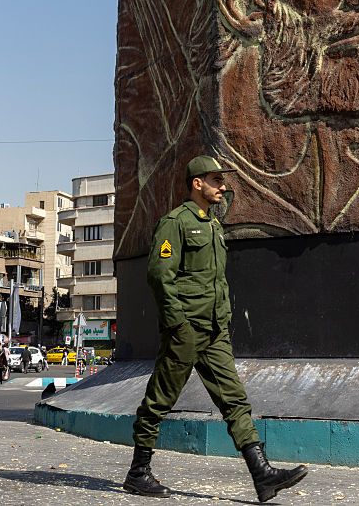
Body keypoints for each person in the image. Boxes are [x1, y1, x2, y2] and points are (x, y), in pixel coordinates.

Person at [124, 156, 307, 501]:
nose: (223, 186)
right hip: (187, 328)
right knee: (159, 400)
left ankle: (262, 475)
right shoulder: (175, 224)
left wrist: (220, 318)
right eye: (215, 180)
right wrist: (177, 321)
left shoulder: (212, 224)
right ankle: (138, 472)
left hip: (214, 329)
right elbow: (160, 276)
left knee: (235, 400)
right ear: (197, 183)